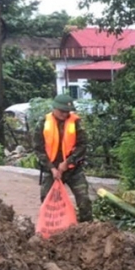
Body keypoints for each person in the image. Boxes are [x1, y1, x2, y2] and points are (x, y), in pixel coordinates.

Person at [33, 94, 93, 222]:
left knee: (84, 201)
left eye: (67, 112)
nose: (65, 114)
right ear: (54, 108)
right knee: (46, 200)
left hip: (73, 170)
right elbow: (38, 149)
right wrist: (52, 168)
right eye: (62, 111)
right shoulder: (43, 123)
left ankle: (87, 229)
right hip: (51, 170)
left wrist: (68, 162)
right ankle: (50, 228)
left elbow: (82, 145)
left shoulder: (76, 123)